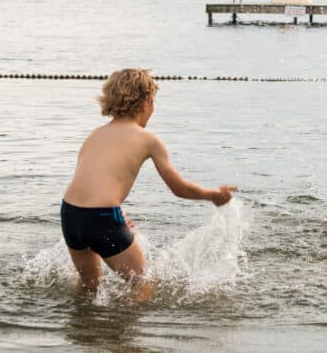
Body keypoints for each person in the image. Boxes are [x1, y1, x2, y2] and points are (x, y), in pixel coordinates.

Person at [61, 68, 238, 296]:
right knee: (143, 284)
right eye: (153, 103)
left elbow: (91, 183)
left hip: (70, 214)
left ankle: (83, 326)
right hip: (102, 217)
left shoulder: (94, 135)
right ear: (145, 102)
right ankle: (121, 329)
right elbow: (179, 188)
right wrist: (212, 195)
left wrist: (115, 214)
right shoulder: (149, 140)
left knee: (89, 285)